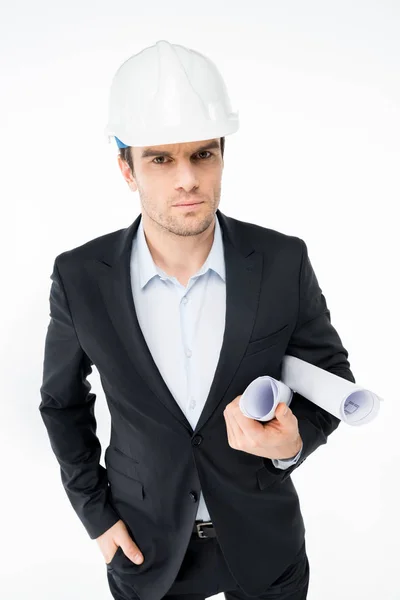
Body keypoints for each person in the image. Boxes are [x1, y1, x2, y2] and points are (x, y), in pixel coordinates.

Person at [39, 40, 355, 600]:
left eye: (203, 155)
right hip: (144, 546)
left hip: (265, 546)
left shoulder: (281, 261)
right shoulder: (80, 277)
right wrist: (96, 516)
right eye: (161, 158)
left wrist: (291, 444)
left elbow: (329, 376)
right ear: (126, 168)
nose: (187, 179)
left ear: (221, 156)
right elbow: (62, 405)